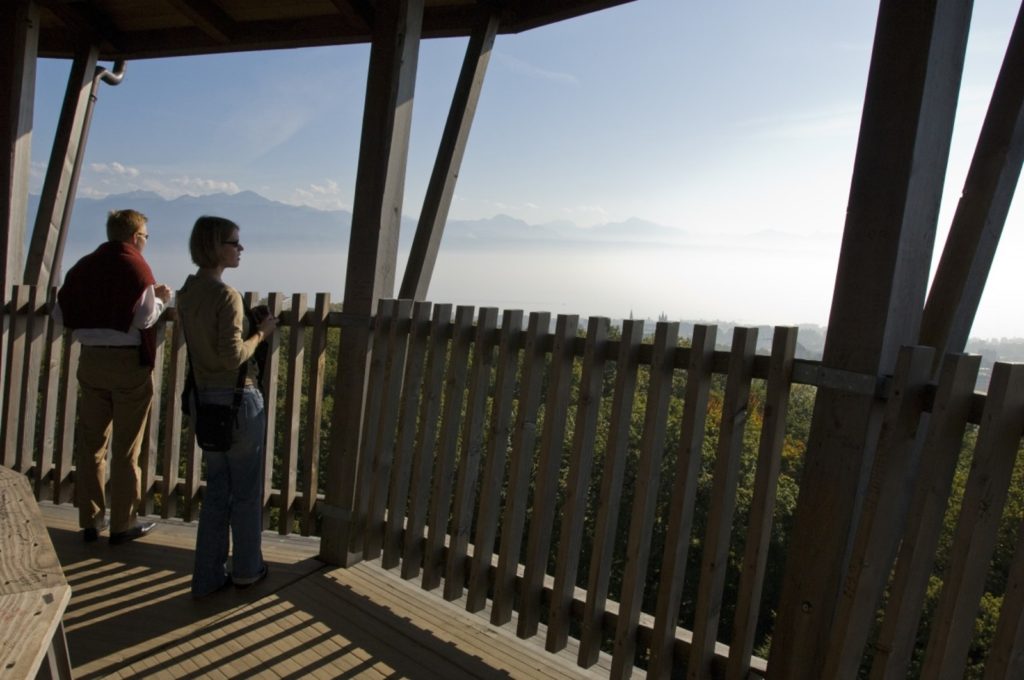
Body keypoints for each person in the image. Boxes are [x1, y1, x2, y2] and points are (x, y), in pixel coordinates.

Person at [176, 215, 277, 598]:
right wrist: (262, 333)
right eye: (235, 242)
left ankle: (207, 575)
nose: (240, 248)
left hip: (205, 402)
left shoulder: (187, 293)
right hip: (237, 403)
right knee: (247, 491)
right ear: (217, 247)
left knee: (217, 489)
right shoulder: (226, 296)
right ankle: (248, 568)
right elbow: (231, 356)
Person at [56, 209, 170, 545]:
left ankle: (90, 520)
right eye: (146, 236)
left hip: (90, 361)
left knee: (91, 444)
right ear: (135, 237)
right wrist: (162, 300)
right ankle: (123, 524)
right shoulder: (135, 266)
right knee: (125, 448)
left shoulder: (83, 266)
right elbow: (144, 319)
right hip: (127, 366)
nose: (146, 242)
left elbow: (60, 312)